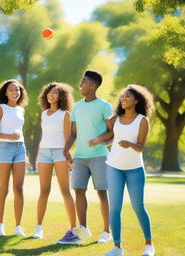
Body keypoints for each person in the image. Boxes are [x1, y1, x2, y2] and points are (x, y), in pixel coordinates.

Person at [101, 84, 155, 256]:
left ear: (136, 100)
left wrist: (129, 144)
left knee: (138, 207)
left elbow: (140, 147)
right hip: (114, 167)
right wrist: (98, 139)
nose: (123, 99)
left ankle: (149, 245)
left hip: (135, 169)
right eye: (122, 96)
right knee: (114, 208)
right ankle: (117, 248)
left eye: (127, 96)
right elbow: (106, 135)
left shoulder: (142, 120)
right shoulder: (114, 119)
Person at [63, 70, 113, 243]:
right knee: (78, 190)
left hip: (99, 155)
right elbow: (73, 133)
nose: (80, 85)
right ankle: (83, 229)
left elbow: (112, 131)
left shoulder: (105, 105)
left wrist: (99, 139)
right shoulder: (77, 107)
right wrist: (66, 149)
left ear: (93, 85)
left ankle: (107, 231)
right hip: (80, 157)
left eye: (83, 82)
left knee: (102, 192)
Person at [32, 82, 79, 244]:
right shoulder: (44, 114)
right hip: (44, 153)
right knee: (43, 191)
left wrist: (68, 156)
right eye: (49, 92)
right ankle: (38, 228)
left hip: (60, 152)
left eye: (55, 93)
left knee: (65, 190)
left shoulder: (65, 114)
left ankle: (74, 228)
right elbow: (42, 136)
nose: (51, 95)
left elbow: (68, 137)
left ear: (61, 96)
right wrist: (38, 156)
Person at [0, 79, 28, 237]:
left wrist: (26, 155)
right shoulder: (0, 108)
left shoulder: (21, 110)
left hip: (20, 148)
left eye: (17, 90)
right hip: (5, 148)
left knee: (18, 188)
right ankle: (0, 225)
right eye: (11, 90)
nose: (15, 92)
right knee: (4, 188)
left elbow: (19, 131)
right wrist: (9, 137)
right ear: (5, 92)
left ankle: (18, 226)